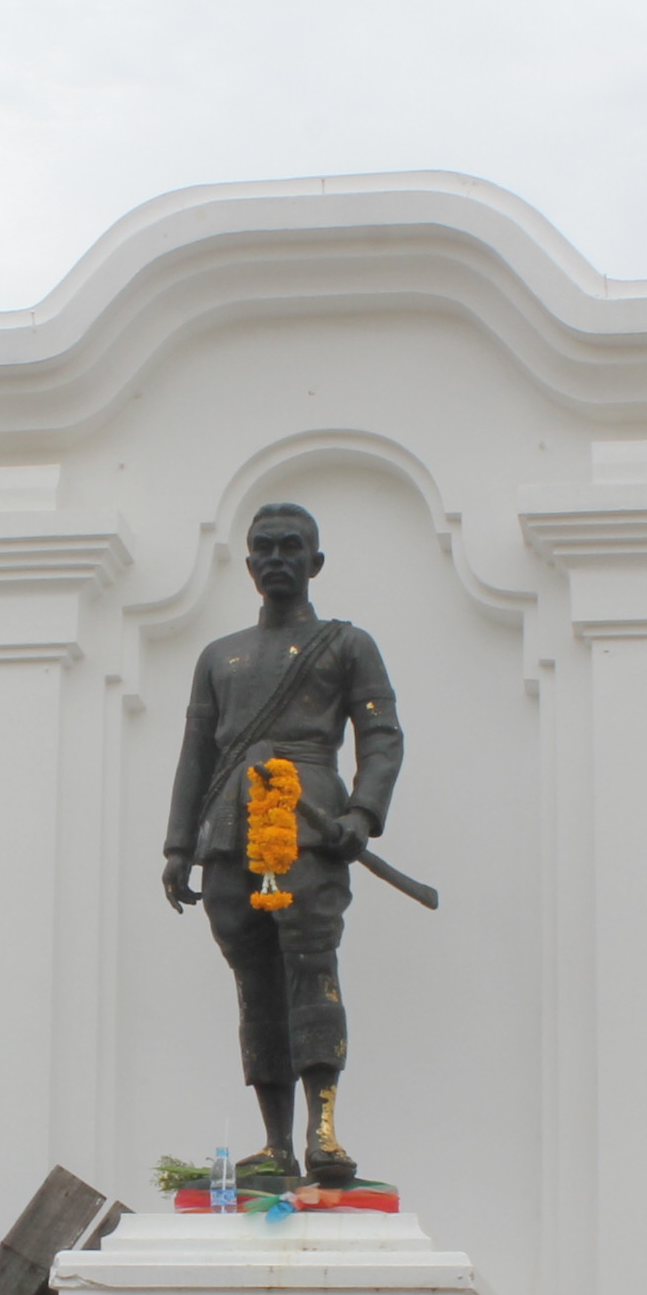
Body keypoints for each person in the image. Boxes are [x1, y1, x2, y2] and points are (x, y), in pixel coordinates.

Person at [161, 502, 403, 1185]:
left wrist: (364, 811)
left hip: (310, 826)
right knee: (256, 985)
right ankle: (275, 1143)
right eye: (263, 548)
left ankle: (323, 1130)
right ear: (247, 564)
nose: (276, 559)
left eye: (290, 547)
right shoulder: (220, 656)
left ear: (314, 562)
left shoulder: (346, 646)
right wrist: (179, 846)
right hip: (230, 833)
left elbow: (382, 736)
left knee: (311, 968)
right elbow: (196, 755)